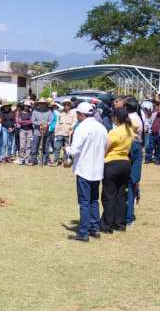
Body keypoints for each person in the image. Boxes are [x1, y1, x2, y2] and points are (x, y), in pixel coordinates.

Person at [66, 102, 108, 242]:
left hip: (84, 168)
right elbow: (105, 145)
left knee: (84, 201)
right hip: (97, 169)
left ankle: (83, 232)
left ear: (81, 114)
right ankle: (94, 228)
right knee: (94, 200)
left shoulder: (82, 127)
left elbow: (75, 149)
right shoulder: (101, 127)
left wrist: (67, 150)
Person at [100, 108, 133, 234]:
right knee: (120, 195)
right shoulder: (130, 131)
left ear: (116, 118)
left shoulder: (114, 132)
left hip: (112, 163)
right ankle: (119, 223)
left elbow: (106, 148)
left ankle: (106, 225)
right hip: (125, 163)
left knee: (109, 196)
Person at [125, 97, 145, 228]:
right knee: (133, 182)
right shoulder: (139, 118)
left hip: (130, 147)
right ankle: (129, 215)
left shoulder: (129, 119)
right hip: (137, 147)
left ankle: (128, 215)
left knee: (128, 183)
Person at [31, 98, 53, 166]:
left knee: (46, 147)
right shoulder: (35, 111)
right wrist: (40, 124)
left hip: (46, 131)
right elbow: (33, 121)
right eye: (40, 103)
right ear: (38, 104)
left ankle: (46, 160)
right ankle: (33, 160)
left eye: (43, 103)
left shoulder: (49, 111)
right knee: (35, 147)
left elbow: (51, 120)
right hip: (37, 132)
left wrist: (46, 124)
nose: (42, 105)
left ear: (45, 104)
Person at [53, 100, 75, 165]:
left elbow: (75, 121)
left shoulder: (73, 113)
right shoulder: (60, 113)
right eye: (65, 105)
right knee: (57, 147)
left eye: (68, 105)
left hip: (68, 133)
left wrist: (71, 127)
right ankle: (56, 161)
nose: (66, 106)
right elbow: (57, 122)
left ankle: (64, 161)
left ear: (70, 106)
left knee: (67, 148)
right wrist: (56, 132)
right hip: (60, 132)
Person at [16, 100, 34, 165]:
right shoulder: (20, 112)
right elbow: (18, 121)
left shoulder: (31, 113)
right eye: (25, 106)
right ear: (24, 106)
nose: (26, 107)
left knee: (29, 146)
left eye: (28, 106)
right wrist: (27, 121)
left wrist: (24, 121)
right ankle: (21, 159)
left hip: (30, 130)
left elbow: (32, 121)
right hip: (22, 130)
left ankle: (27, 160)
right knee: (22, 146)